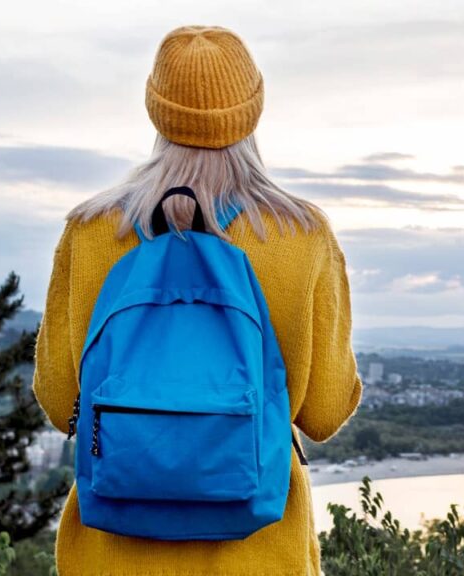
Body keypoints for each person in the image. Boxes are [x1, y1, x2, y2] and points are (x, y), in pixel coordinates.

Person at [32, 25, 362, 575]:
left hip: (110, 556)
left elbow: (58, 398)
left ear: (156, 111)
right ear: (253, 110)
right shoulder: (302, 237)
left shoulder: (90, 232)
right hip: (259, 555)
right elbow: (324, 413)